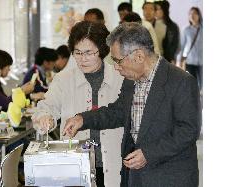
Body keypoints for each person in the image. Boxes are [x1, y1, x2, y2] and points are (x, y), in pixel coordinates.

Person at [63, 22, 201, 187]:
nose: (116, 67)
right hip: (134, 176)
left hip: (169, 176)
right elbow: (118, 112)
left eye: (118, 60)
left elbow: (188, 131)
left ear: (139, 56)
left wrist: (148, 154)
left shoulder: (181, 82)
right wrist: (82, 119)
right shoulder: (131, 80)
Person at [32, 21, 124, 187]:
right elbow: (45, 108)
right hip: (74, 166)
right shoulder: (63, 80)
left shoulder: (120, 78)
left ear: (102, 50)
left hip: (114, 163)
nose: (83, 59)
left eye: (89, 53)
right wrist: (45, 118)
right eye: (78, 53)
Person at [177, 7, 203, 92]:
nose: (192, 15)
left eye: (194, 13)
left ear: (199, 15)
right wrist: (179, 60)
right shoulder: (186, 29)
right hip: (190, 61)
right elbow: (182, 46)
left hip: (202, 62)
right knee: (192, 84)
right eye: (190, 14)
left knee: (202, 84)